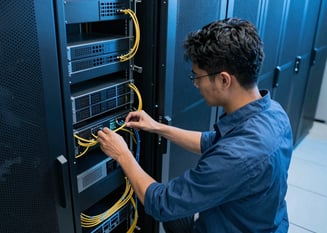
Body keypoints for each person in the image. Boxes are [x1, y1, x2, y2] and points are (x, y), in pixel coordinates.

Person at [97, 18, 293, 233]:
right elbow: (213, 142)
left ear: (224, 80)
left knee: (172, 207)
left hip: (236, 227)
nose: (196, 84)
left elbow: (162, 204)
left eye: (198, 76)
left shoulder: (238, 156)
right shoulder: (274, 113)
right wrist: (157, 127)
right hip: (263, 221)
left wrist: (122, 154)